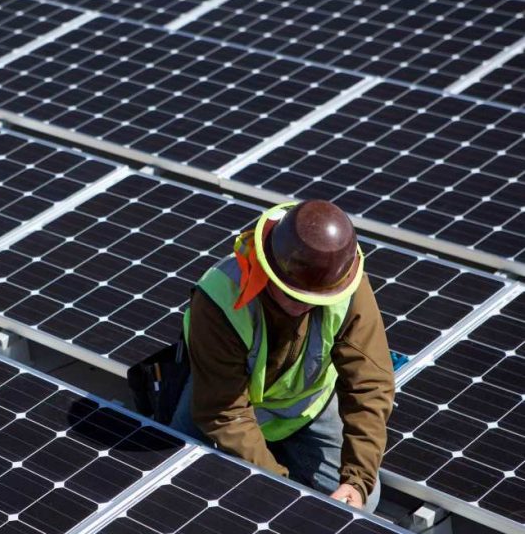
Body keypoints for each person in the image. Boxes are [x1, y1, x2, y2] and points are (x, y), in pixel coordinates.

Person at [169, 199, 394, 512]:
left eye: (317, 298)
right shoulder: (219, 298)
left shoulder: (343, 283)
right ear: (267, 269)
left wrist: (357, 479)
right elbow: (225, 412)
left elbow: (371, 384)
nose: (305, 305)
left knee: (361, 505)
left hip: (307, 407)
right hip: (223, 401)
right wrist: (279, 486)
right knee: (177, 483)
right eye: (293, 293)